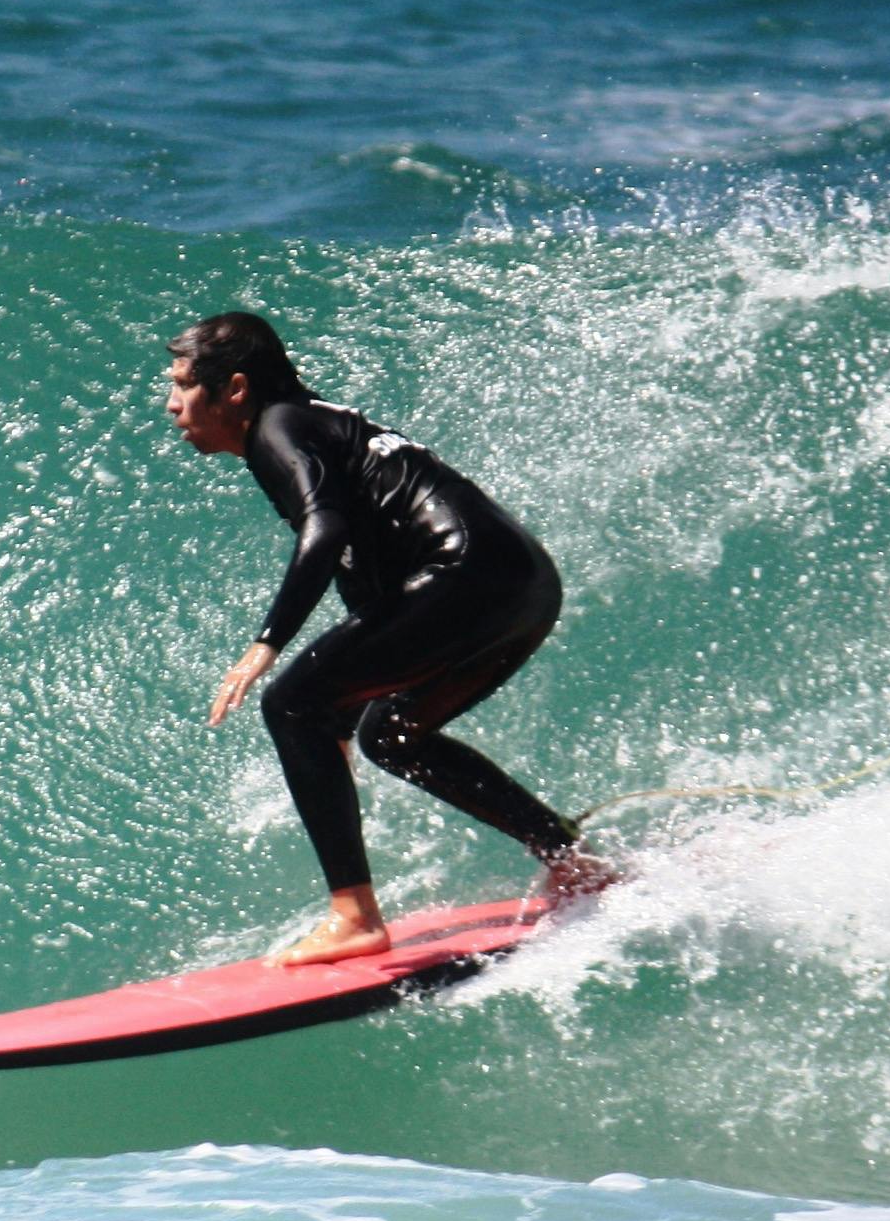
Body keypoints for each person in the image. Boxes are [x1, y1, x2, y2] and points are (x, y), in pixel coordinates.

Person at [165, 310, 600, 966]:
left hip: (462, 574)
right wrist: (331, 713)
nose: (170, 405)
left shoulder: (277, 428)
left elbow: (324, 529)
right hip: (519, 582)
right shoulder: (313, 423)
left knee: (287, 705)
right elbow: (366, 577)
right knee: (388, 735)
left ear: (233, 390)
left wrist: (268, 642)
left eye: (181, 386)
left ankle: (353, 916)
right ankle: (571, 861)